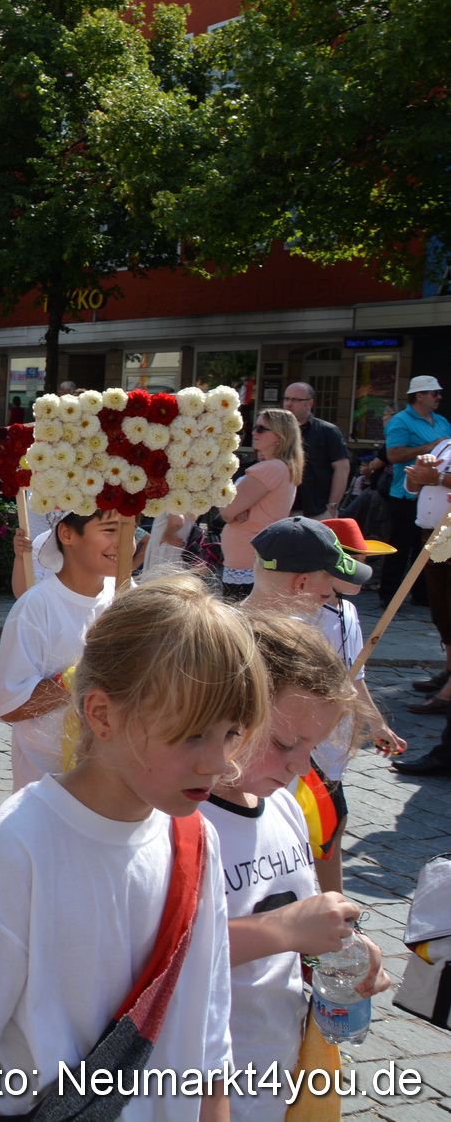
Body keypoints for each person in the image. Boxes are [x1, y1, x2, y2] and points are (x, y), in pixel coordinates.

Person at [0, 574, 257, 1121]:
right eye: (192, 734)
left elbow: (206, 1045)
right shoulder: (20, 849)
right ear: (103, 714)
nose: (219, 763)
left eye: (232, 733)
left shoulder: (197, 840)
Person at [204, 613, 388, 1122]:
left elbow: (292, 922)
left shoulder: (284, 804)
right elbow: (152, 955)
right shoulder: (180, 820)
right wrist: (285, 930)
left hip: (273, 1071)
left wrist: (337, 949)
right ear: (226, 707)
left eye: (314, 747)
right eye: (286, 744)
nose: (302, 767)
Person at [245, 517, 403, 891]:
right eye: (327, 582)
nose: (332, 591)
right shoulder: (257, 644)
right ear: (301, 582)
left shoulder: (237, 630)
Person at [0, 509, 119, 790]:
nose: (125, 543)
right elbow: (12, 708)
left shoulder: (124, 594)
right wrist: (79, 677)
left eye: (130, 530)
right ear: (67, 533)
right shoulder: (36, 606)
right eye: (110, 530)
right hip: (46, 783)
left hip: (111, 777)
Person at [219, 407, 303, 599]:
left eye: (262, 428)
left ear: (280, 436)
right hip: (251, 556)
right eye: (255, 427)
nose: (254, 432)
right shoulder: (279, 467)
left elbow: (226, 510)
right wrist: (239, 505)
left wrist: (237, 506)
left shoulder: (270, 468)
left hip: (247, 558)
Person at [383, 375, 451, 601]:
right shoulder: (400, 420)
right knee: (401, 546)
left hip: (434, 495)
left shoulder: (441, 421)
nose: (439, 397)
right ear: (419, 395)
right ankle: (390, 594)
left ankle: (423, 595)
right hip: (406, 493)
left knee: (428, 548)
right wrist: (429, 446)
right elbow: (393, 455)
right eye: (435, 393)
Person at [403, 440, 451, 716]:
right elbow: (412, 489)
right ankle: (448, 670)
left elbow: (438, 479)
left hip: (449, 533)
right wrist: (417, 475)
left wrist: (438, 477)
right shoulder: (444, 444)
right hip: (435, 534)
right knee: (441, 608)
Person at [282, 382, 349, 519]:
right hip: (281, 510)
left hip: (317, 511)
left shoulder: (327, 431)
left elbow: (342, 468)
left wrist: (333, 506)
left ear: (310, 403)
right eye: (286, 399)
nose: (289, 404)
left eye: (295, 400)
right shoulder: (275, 431)